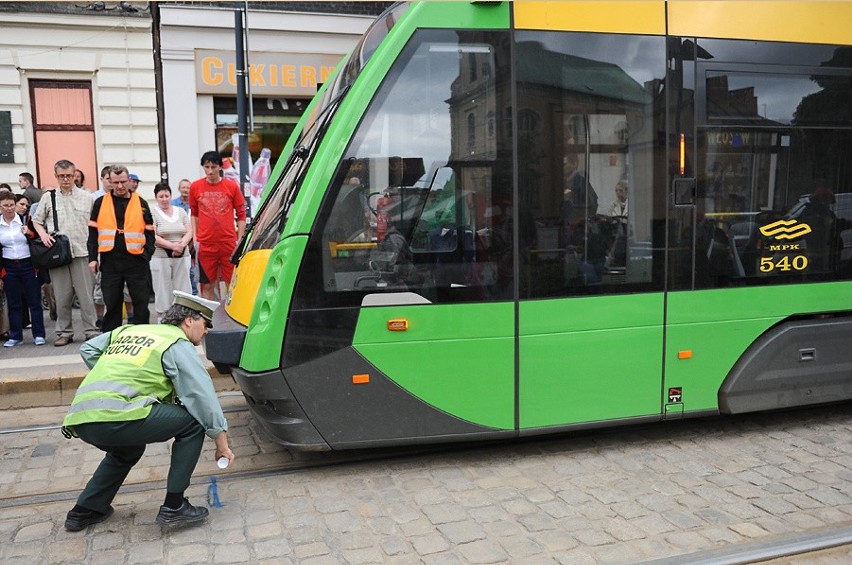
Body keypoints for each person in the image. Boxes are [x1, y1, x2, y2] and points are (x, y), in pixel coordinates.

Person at [61, 291, 235, 531]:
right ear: (189, 321)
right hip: (115, 416)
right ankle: (175, 506)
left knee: (127, 450)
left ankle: (85, 510)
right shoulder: (176, 343)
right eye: (206, 324)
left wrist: (120, 376)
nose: (206, 332)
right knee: (193, 423)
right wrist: (221, 443)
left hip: (81, 418)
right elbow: (202, 397)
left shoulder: (129, 331)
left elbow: (88, 350)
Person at [32, 159, 100, 346]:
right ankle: (64, 332)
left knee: (86, 296)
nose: (66, 179)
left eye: (69, 175)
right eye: (61, 176)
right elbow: (36, 220)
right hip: (58, 254)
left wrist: (97, 253)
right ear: (56, 176)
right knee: (61, 296)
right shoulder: (49, 197)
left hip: (83, 251)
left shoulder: (88, 197)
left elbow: (96, 225)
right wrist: (44, 235)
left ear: (75, 175)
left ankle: (92, 330)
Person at [87, 165, 155, 332]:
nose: (119, 186)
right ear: (109, 181)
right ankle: (111, 337)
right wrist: (93, 258)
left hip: (137, 261)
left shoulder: (141, 202)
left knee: (141, 302)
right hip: (110, 261)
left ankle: (141, 335)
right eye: (115, 182)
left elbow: (150, 231)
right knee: (112, 302)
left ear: (129, 180)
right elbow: (92, 233)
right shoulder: (100, 203)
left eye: (123, 182)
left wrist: (147, 254)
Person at [189, 151, 246, 300]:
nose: (210, 171)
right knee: (207, 285)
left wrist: (239, 239)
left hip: (228, 242)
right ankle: (208, 320)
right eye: (206, 167)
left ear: (220, 167)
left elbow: (241, 214)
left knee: (231, 283)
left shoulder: (231, 186)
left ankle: (231, 319)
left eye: (213, 167)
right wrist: (195, 237)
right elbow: (194, 213)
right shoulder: (195, 187)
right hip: (206, 243)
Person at [0, 190, 46, 346]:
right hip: (9, 266)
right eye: (5, 205)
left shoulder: (25, 220)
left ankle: (39, 335)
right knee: (14, 303)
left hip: (28, 264)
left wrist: (30, 233)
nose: (9, 208)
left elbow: (40, 238)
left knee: (34, 301)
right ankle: (15, 336)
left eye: (11, 205)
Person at [151, 182, 193, 321]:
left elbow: (189, 230)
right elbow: (153, 235)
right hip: (161, 256)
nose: (164, 199)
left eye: (166, 195)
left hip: (182, 254)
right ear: (156, 197)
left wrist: (181, 245)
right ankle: (163, 318)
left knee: (184, 286)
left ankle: (183, 316)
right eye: (161, 196)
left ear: (170, 195)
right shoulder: (153, 212)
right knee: (162, 287)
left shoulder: (180, 211)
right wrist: (171, 246)